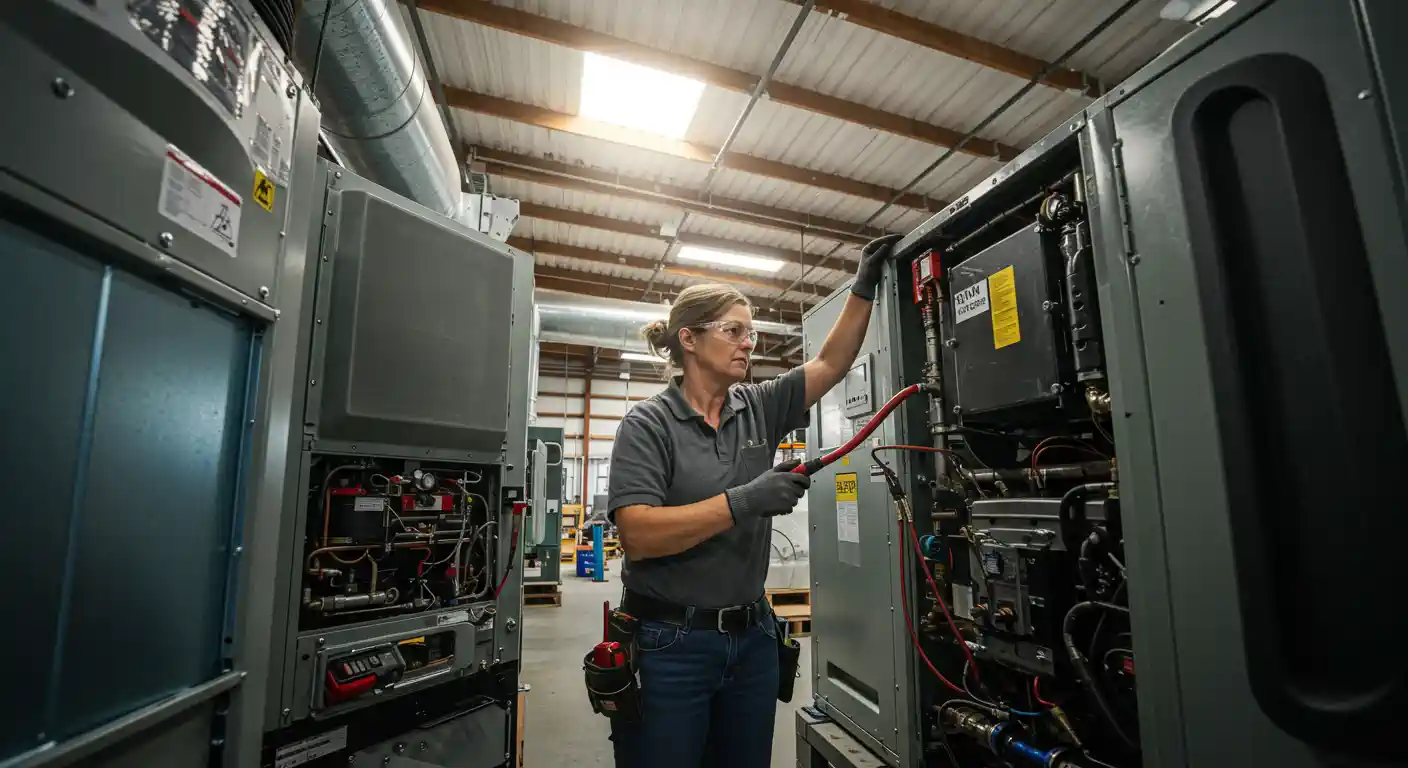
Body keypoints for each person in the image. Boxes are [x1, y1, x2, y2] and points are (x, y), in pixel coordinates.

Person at [605, 233, 903, 767]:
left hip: (753, 640)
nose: (750, 344)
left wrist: (863, 286)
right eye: (735, 331)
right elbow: (639, 535)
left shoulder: (758, 406)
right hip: (670, 645)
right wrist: (745, 499)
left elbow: (832, 362)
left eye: (752, 332)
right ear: (689, 339)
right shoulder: (647, 424)